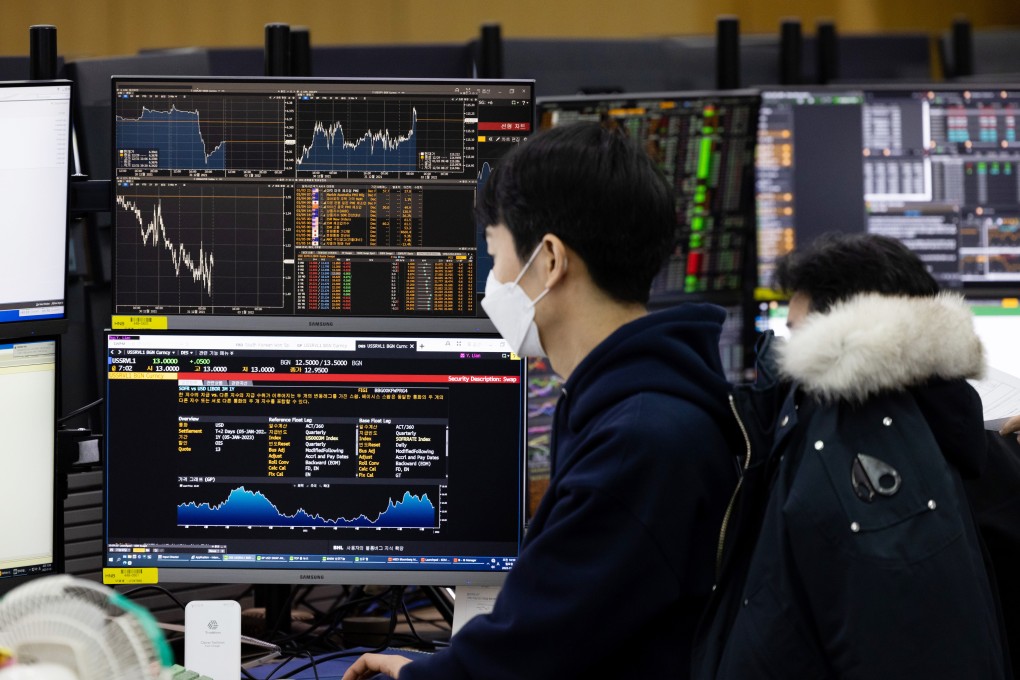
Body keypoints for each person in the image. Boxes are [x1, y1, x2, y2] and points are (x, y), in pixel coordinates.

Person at [342, 123, 741, 679]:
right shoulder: (638, 401)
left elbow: (528, 658)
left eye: (495, 255)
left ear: (549, 260)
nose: (492, 284)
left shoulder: (638, 443)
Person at [692, 232, 1010, 679]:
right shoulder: (947, 428)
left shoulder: (849, 453)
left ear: (837, 338)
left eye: (798, 338)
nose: (788, 361)